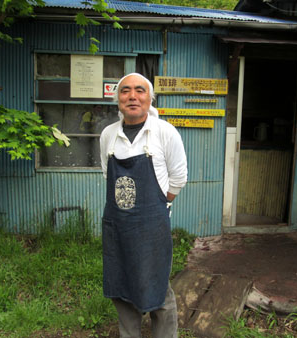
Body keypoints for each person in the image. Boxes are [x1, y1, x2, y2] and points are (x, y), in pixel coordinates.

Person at [99, 73, 188, 338]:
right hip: (118, 225)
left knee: (157, 285)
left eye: (140, 90)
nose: (132, 96)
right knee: (121, 282)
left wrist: (161, 204)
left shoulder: (164, 132)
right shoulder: (108, 135)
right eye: (125, 91)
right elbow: (108, 175)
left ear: (150, 99)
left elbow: (179, 177)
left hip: (152, 226)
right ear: (118, 99)